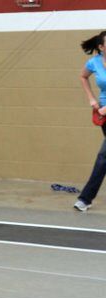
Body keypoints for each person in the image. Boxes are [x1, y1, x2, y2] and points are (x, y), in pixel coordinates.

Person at [75, 31, 106, 211]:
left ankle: (86, 198)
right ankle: (86, 198)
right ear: (101, 47)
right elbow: (83, 76)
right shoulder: (94, 62)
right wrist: (92, 99)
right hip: (103, 113)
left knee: (104, 156)